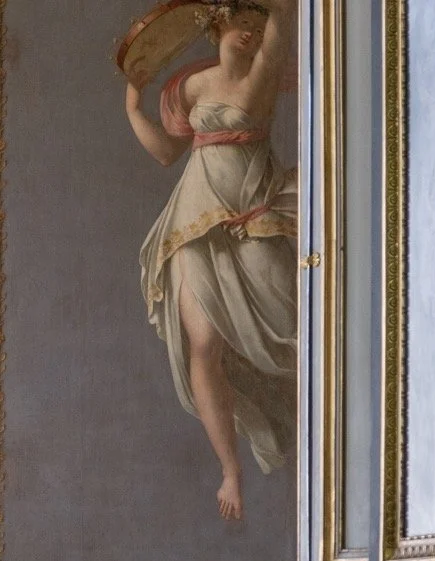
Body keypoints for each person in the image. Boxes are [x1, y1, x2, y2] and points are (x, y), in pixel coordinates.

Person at [125, 0, 297, 521]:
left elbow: (284, 21)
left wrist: (275, 17)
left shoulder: (265, 71)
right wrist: (134, 107)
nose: (249, 34)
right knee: (202, 343)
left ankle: (324, 430)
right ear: (218, 25)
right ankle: (231, 469)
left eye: (257, 27)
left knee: (292, 327)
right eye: (241, 24)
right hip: (193, 222)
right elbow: (164, 153)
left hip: (251, 213)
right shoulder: (189, 87)